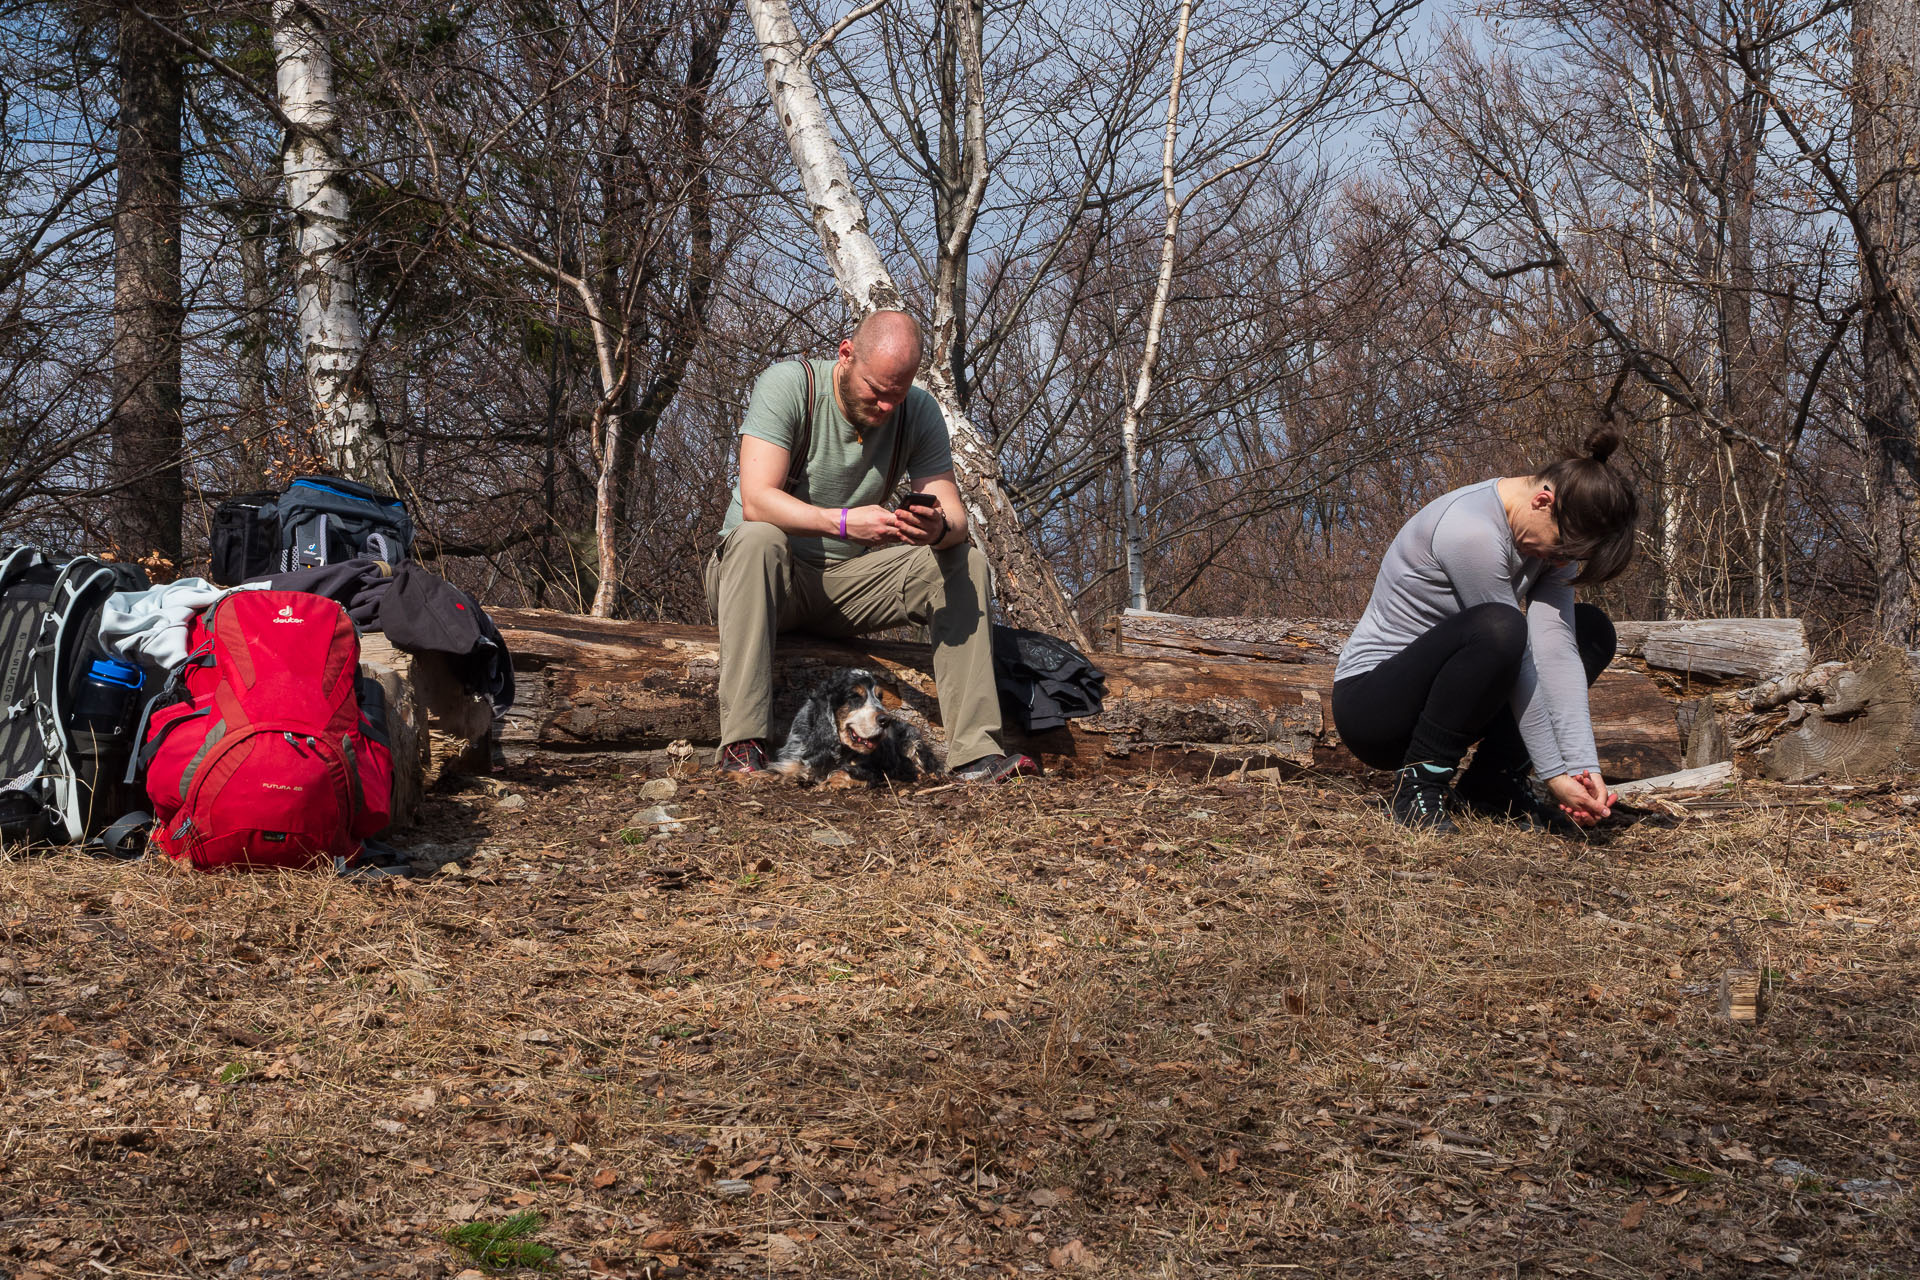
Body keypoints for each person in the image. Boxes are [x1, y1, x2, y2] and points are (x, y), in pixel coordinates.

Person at [705, 309, 1037, 783]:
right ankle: (742, 746)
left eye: (895, 396)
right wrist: (842, 523)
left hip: (842, 587)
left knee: (963, 560)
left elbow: (956, 518)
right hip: (760, 580)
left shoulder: (917, 412)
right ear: (846, 354)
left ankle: (975, 756)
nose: (885, 408)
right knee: (759, 539)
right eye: (875, 392)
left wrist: (936, 528)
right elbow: (757, 499)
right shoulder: (789, 384)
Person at [1332, 430, 1639, 833]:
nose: (1559, 560)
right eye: (1562, 549)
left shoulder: (1550, 534)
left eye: (1572, 557)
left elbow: (1556, 651)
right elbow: (1520, 657)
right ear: (1542, 501)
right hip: (1374, 708)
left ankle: (1494, 786)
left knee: (1590, 630)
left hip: (1458, 698)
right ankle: (1417, 789)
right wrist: (1553, 774)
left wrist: (1582, 766)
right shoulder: (1470, 530)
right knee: (1501, 626)